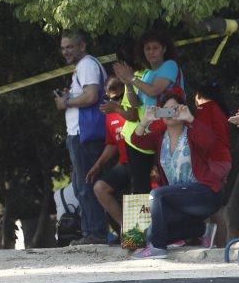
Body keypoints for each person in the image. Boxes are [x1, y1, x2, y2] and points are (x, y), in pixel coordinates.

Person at [129, 93, 231, 259]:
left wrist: (190, 118)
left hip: (204, 193)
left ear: (182, 110)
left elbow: (210, 142)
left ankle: (158, 249)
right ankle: (203, 230)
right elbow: (136, 140)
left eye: (174, 109)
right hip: (178, 200)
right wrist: (146, 120)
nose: (170, 113)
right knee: (150, 234)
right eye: (165, 110)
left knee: (156, 195)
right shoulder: (159, 137)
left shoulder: (192, 132)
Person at [53, 30, 108, 245]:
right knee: (79, 185)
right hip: (78, 134)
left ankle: (95, 233)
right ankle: (90, 232)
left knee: (85, 185)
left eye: (70, 46)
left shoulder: (86, 65)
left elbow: (92, 95)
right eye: (63, 47)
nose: (66, 51)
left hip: (84, 135)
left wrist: (65, 103)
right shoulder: (82, 67)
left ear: (82, 46)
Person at [114, 31, 185, 193]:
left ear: (164, 49)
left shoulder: (170, 65)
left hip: (170, 131)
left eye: (155, 48)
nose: (151, 52)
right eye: (147, 49)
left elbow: (154, 90)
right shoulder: (146, 74)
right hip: (151, 134)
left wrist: (132, 78)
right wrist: (128, 83)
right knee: (144, 184)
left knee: (171, 179)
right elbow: (136, 104)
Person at [87, 77, 131, 235]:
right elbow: (112, 143)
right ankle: (127, 230)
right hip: (124, 164)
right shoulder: (110, 114)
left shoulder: (133, 109)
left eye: (120, 97)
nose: (116, 102)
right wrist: (98, 164)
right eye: (112, 99)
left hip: (142, 162)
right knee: (99, 188)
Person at [194, 82, 232, 247]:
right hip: (224, 161)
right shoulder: (219, 109)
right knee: (215, 204)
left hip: (214, 162)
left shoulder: (205, 109)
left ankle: (214, 243)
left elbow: (201, 138)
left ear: (198, 96)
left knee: (210, 204)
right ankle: (222, 244)